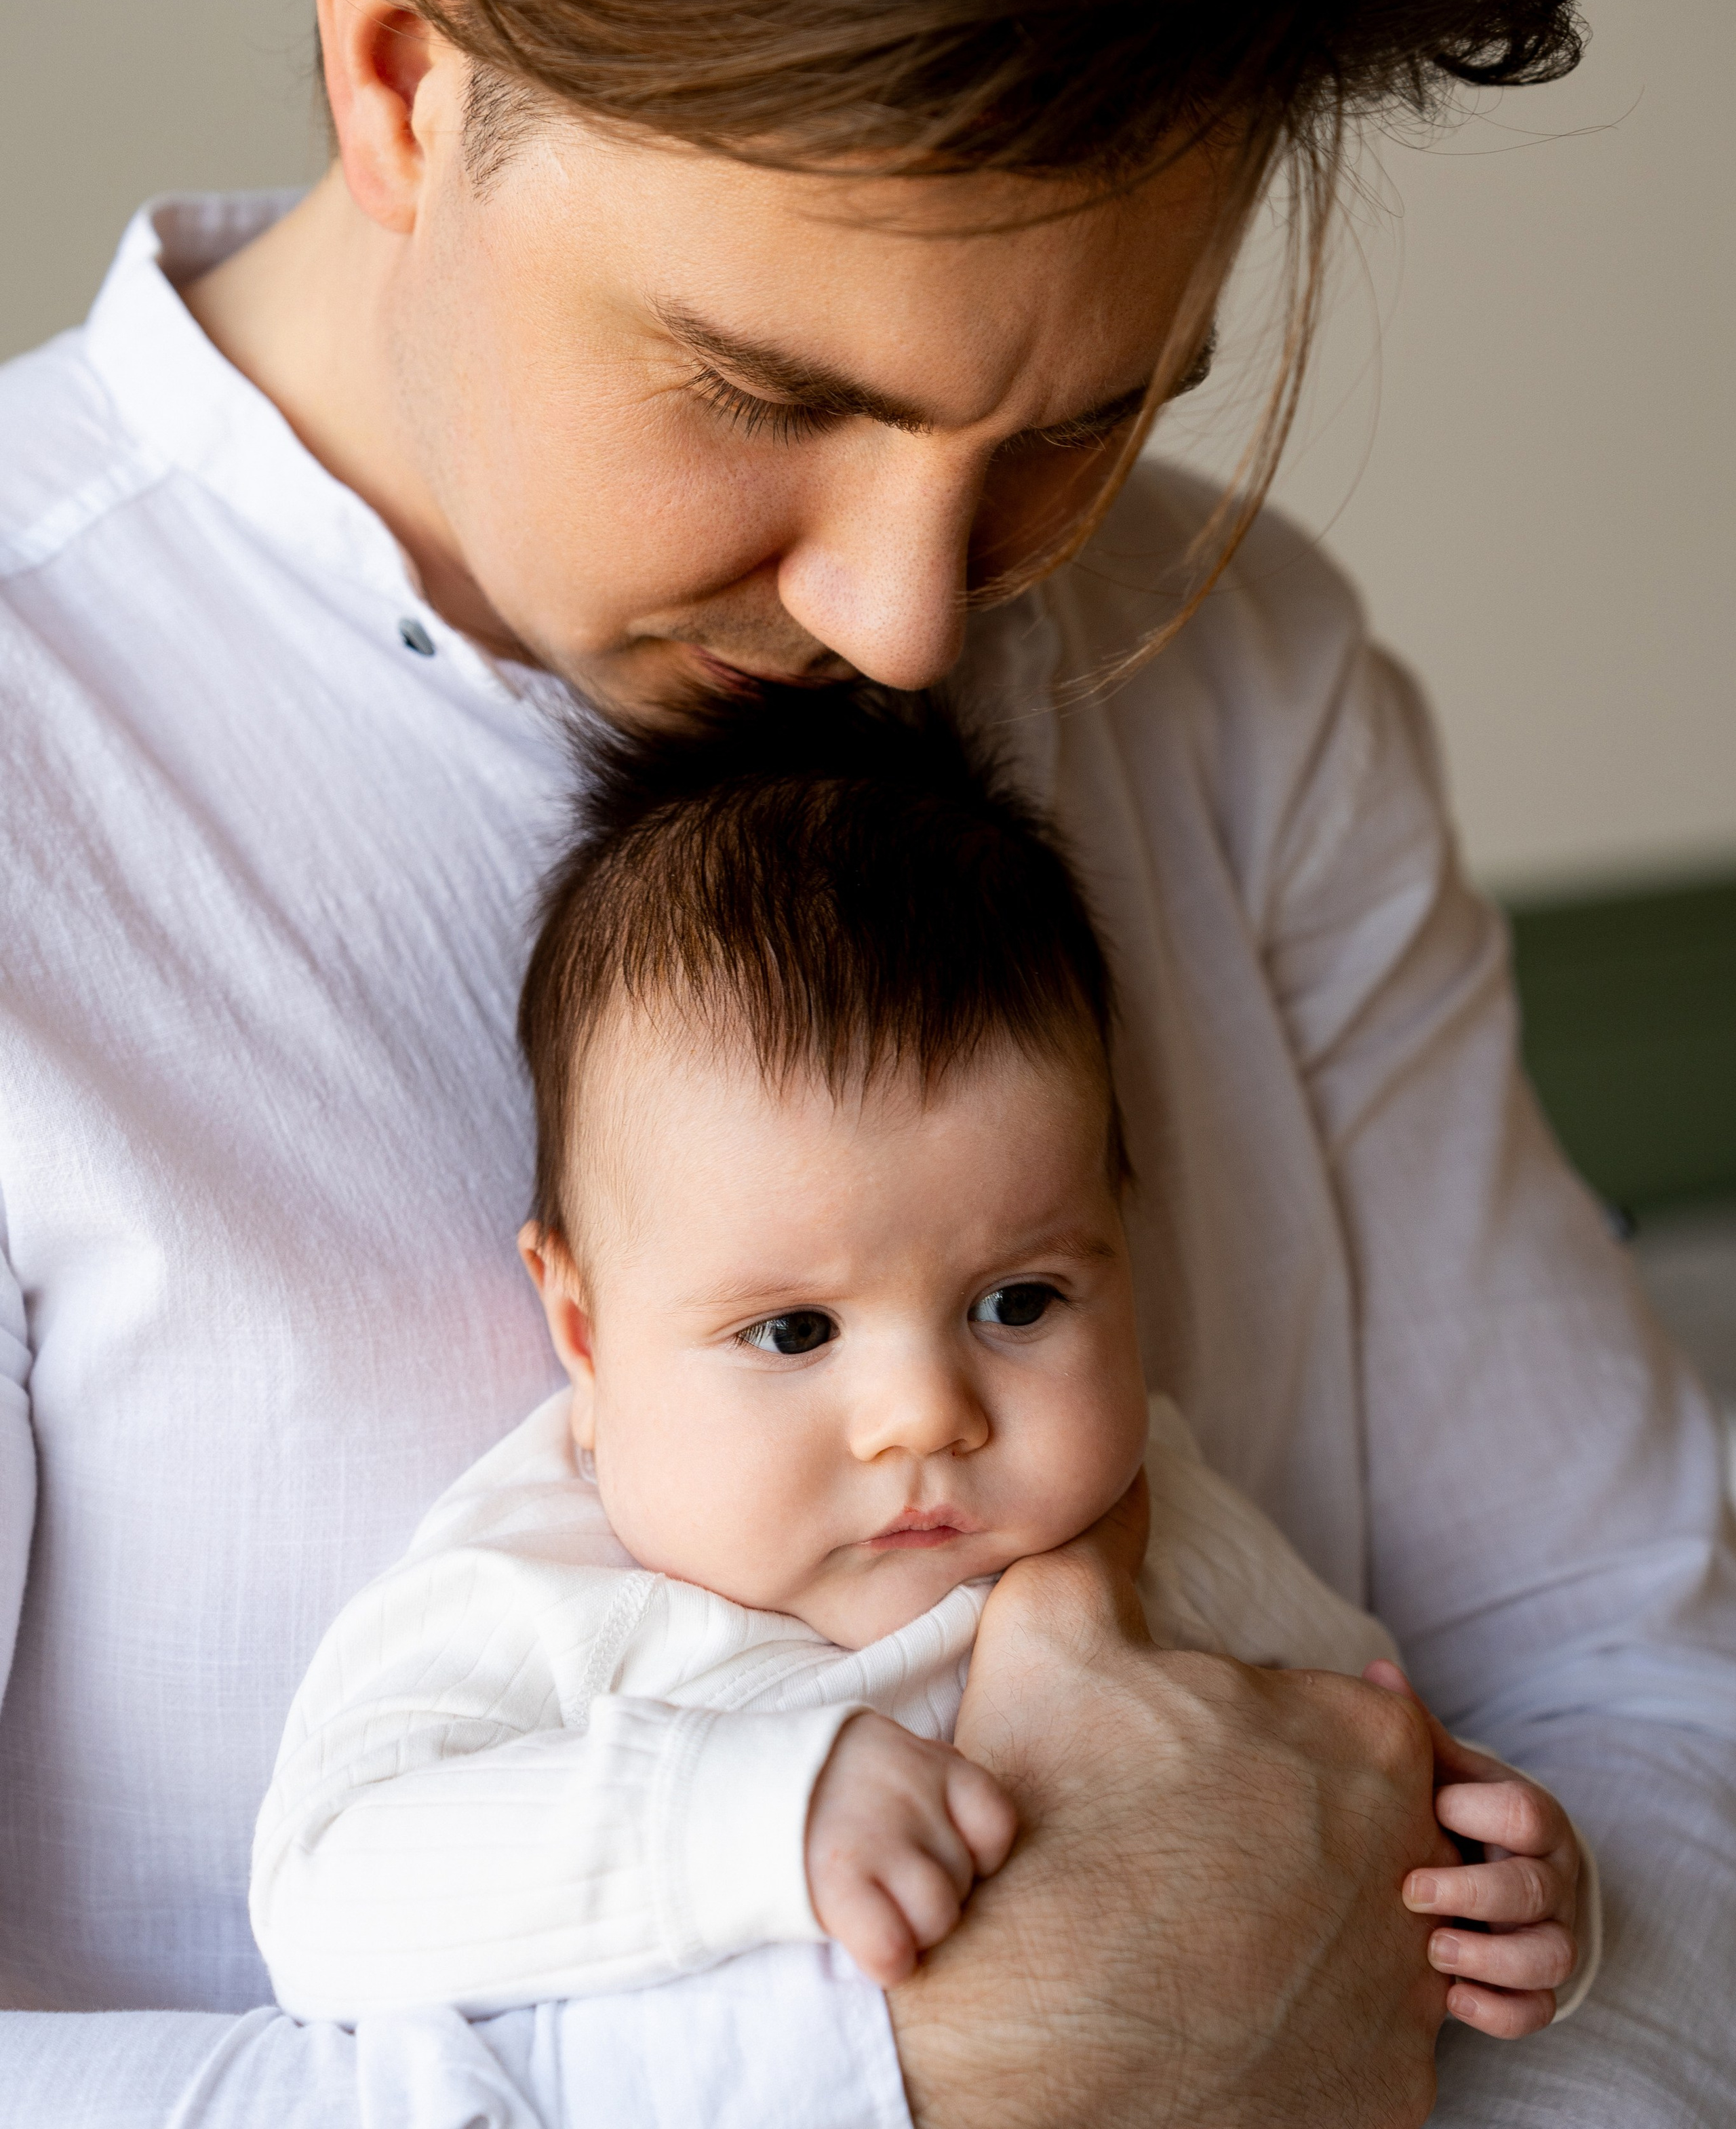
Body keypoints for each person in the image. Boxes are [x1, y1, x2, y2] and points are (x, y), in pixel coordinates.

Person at [0, 0, 1731, 2124]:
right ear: (402, 79)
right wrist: (914, 2073)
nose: (925, 631)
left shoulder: (1241, 679)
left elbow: (1631, 1684)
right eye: (764, 391)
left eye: (1074, 422)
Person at [249, 696, 1594, 2033]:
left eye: (1015, 1302)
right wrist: (744, 1817)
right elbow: (323, 1893)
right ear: (588, 1338)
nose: (922, 1416)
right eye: (792, 1332)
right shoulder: (541, 1593)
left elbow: (1354, 1764)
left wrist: (1506, 1884)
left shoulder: (1162, 1532)